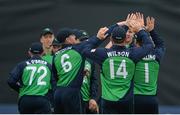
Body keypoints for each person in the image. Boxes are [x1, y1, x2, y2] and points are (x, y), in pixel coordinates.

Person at [82, 19, 154, 113]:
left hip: (108, 100)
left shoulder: (103, 54)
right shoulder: (133, 54)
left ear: (111, 39)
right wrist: (140, 30)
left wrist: (99, 37)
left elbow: (84, 49)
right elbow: (149, 45)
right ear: (125, 39)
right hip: (126, 100)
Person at [53, 27, 108, 113]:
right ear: (68, 39)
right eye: (72, 36)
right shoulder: (78, 49)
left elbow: (55, 76)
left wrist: (93, 98)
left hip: (59, 92)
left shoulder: (56, 55)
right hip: (72, 93)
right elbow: (97, 41)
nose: (74, 37)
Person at [7, 42, 54, 113]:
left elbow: (10, 81)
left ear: (29, 52)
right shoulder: (48, 66)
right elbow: (55, 84)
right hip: (42, 99)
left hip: (25, 100)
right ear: (43, 52)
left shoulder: (22, 65)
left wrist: (20, 89)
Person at [133, 17, 166, 114]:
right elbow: (161, 44)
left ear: (137, 43)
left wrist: (137, 29)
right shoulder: (157, 55)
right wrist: (151, 31)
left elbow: (125, 45)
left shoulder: (134, 54)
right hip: (151, 99)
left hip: (136, 97)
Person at [73, 29, 99, 113]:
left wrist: (93, 98)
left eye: (86, 40)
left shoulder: (90, 59)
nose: (84, 43)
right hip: (74, 100)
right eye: (81, 41)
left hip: (87, 101)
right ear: (75, 41)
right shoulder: (70, 57)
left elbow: (94, 81)